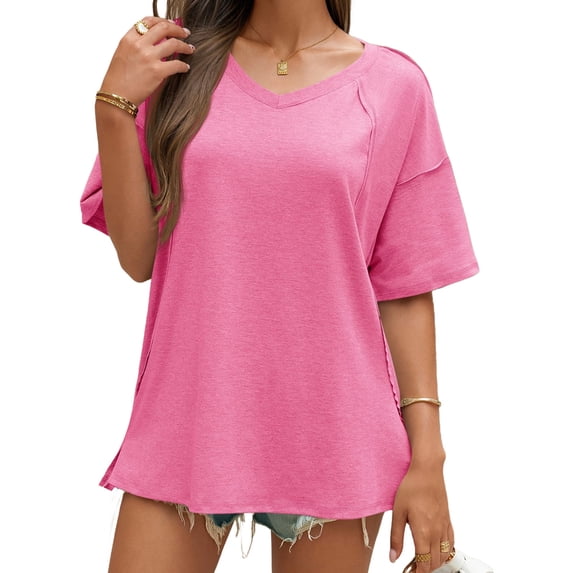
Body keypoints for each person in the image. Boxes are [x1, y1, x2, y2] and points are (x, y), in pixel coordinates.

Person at [80, 1, 479, 571]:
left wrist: (429, 458)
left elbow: (405, 285)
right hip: (190, 422)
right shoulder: (175, 66)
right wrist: (113, 108)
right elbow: (138, 256)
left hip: (336, 430)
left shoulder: (394, 86)